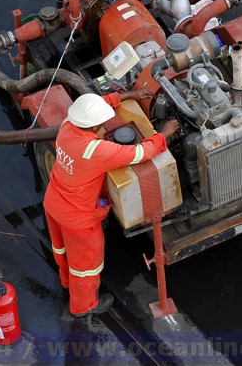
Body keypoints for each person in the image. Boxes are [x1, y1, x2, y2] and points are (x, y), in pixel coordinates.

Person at [43, 90, 180, 317]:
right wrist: (164, 134)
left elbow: (95, 108)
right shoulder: (96, 151)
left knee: (63, 250)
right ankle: (83, 306)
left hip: (54, 202)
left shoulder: (67, 125)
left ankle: (66, 281)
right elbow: (141, 152)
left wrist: (129, 94)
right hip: (79, 219)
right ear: (95, 126)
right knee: (86, 266)